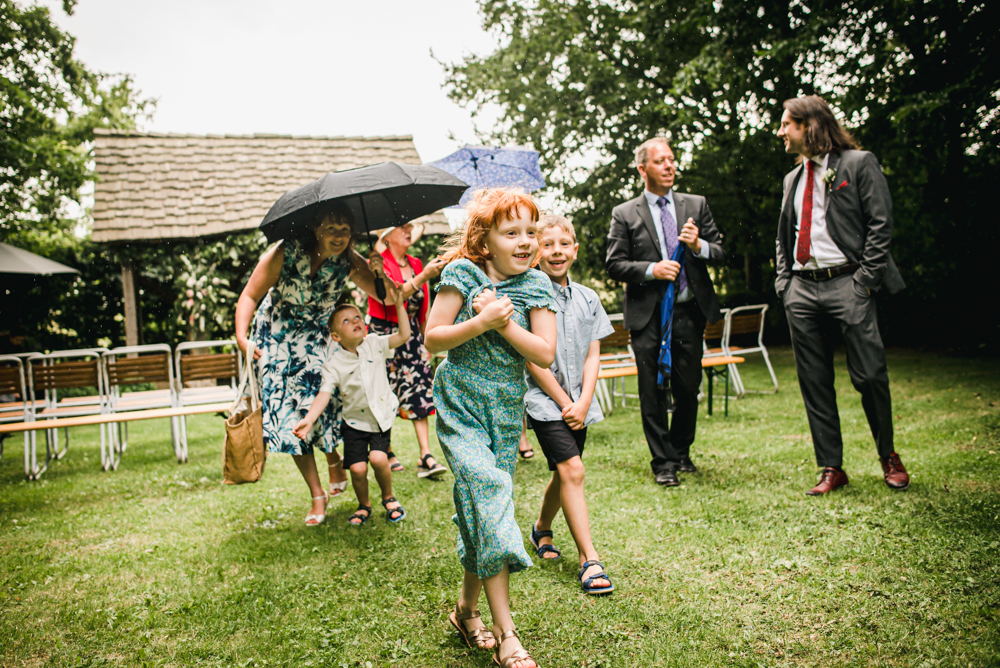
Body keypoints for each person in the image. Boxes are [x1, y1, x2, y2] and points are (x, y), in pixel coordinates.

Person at [425, 189, 556, 668]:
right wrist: (480, 321)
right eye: (511, 232)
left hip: (504, 410)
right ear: (485, 240)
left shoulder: (536, 285)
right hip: (460, 402)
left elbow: (544, 353)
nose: (525, 241)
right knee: (490, 493)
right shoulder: (462, 275)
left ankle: (466, 611)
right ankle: (508, 635)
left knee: (481, 508)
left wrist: (503, 325)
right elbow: (433, 338)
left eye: (530, 232)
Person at [775, 95, 909, 495]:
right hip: (801, 288)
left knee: (870, 375)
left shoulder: (857, 163)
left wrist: (864, 282)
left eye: (786, 124)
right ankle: (831, 467)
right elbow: (783, 237)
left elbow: (881, 225)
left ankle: (888, 456)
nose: (781, 132)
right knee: (814, 380)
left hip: (848, 284)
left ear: (808, 126)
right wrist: (785, 284)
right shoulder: (791, 179)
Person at [234, 201, 397, 526]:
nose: (338, 236)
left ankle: (334, 459)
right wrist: (241, 338)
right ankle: (316, 494)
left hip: (319, 339)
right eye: (331, 228)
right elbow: (250, 295)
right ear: (316, 229)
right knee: (290, 416)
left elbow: (390, 298)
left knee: (331, 403)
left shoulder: (350, 260)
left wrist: (380, 272)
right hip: (276, 340)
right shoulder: (285, 252)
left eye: (345, 230)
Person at [605, 138, 725, 487]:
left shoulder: (696, 205)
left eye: (672, 159)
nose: (670, 166)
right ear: (643, 169)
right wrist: (651, 270)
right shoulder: (625, 213)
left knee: (688, 386)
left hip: (689, 310)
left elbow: (720, 251)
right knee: (651, 389)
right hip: (648, 315)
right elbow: (614, 264)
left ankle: (681, 451)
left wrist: (698, 245)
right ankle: (663, 462)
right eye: (660, 161)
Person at [524, 214, 615, 595]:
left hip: (580, 402)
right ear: (535, 253)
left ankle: (541, 529)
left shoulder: (589, 298)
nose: (556, 251)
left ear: (574, 250)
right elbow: (531, 359)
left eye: (563, 244)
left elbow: (594, 354)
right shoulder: (529, 297)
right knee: (573, 470)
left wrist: (584, 400)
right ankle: (589, 559)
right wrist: (565, 402)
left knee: (565, 474)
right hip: (545, 402)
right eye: (547, 245)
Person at [293, 295, 410, 525]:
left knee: (378, 459)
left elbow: (403, 335)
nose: (355, 321)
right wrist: (309, 419)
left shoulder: (375, 344)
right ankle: (364, 505)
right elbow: (324, 394)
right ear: (336, 336)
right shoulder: (333, 364)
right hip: (354, 423)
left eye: (357, 316)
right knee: (357, 469)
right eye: (346, 320)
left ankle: (388, 497)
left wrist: (399, 305)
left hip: (379, 419)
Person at [368, 222, 448, 479]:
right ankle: (387, 449)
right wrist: (424, 276)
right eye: (402, 227)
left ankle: (425, 454)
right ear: (387, 236)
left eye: (410, 226)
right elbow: (392, 297)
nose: (408, 230)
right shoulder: (378, 264)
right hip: (384, 332)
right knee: (385, 389)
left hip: (412, 333)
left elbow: (424, 303)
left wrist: (425, 336)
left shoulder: (415, 262)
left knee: (419, 390)